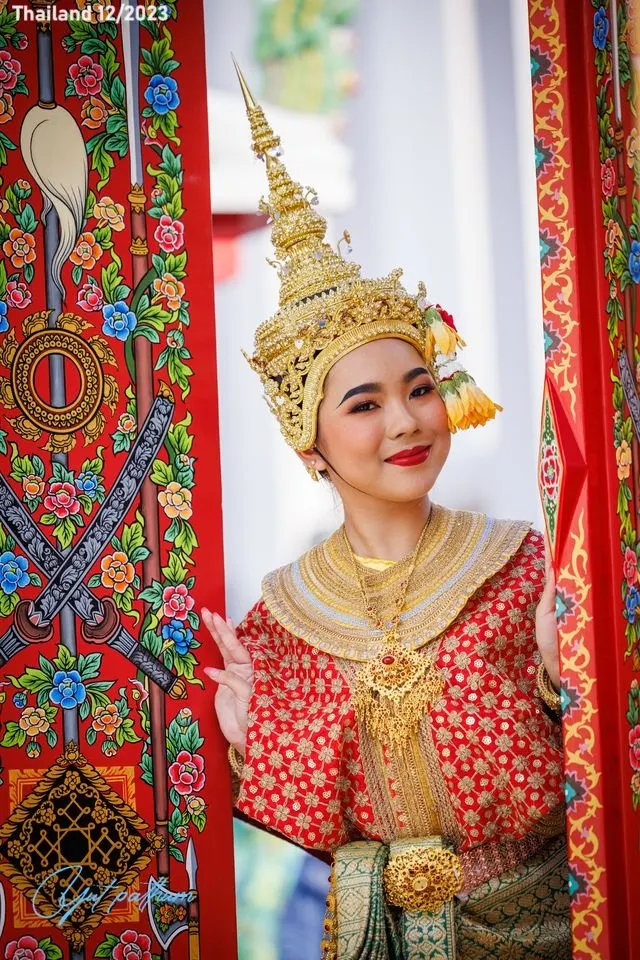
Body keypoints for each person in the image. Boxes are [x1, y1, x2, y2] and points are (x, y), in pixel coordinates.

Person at [203, 64, 570, 960]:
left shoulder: (526, 566)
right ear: (309, 447)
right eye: (363, 405)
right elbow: (303, 824)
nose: (405, 421)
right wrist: (254, 743)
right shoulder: (285, 615)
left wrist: (570, 684)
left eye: (418, 389)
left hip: (548, 927)